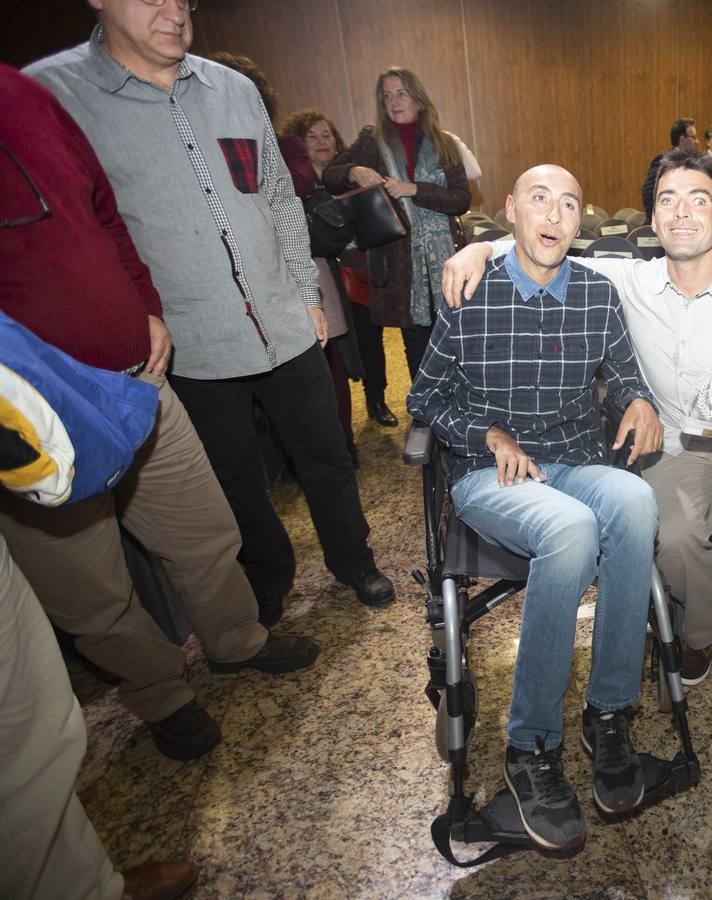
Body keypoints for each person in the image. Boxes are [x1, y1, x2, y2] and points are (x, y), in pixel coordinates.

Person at [26, 0, 396, 617]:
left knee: (326, 456)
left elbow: (277, 195)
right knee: (234, 479)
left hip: (283, 319)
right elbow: (71, 231)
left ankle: (354, 561)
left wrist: (305, 292)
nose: (173, 11)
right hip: (184, 340)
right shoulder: (54, 93)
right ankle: (269, 576)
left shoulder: (233, 88)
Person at [0, 62, 319, 760]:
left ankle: (236, 642)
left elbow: (104, 215)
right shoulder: (52, 79)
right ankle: (161, 694)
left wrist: (142, 305)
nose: (174, 10)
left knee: (203, 530)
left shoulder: (22, 95)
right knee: (91, 586)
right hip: (28, 411)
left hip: (136, 375)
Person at [441, 150, 712, 706]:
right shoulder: (627, 279)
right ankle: (700, 633)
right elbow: (544, 247)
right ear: (654, 219)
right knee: (672, 531)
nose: (682, 213)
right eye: (668, 201)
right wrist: (477, 247)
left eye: (699, 200)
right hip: (669, 438)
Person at [407, 164, 663, 851]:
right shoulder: (472, 291)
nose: (554, 214)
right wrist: (484, 435)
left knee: (637, 501)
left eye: (570, 203)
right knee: (572, 527)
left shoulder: (598, 295)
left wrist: (639, 399)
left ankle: (608, 714)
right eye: (540, 199)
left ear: (580, 222)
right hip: (491, 472)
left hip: (574, 461)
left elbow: (625, 374)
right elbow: (423, 401)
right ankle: (531, 745)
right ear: (512, 211)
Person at [1, 304, 199, 899]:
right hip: (47, 434)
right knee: (26, 728)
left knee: (26, 727)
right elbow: (56, 470)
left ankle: (79, 884)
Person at [324, 66, 471, 382]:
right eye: (387, 96)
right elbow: (330, 176)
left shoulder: (444, 143)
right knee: (416, 348)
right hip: (400, 268)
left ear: (418, 99)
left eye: (401, 93)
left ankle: (459, 415)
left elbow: (461, 199)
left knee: (455, 345)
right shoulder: (372, 141)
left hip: (446, 263)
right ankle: (425, 418)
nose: (394, 101)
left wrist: (414, 189)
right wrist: (353, 172)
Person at [279, 108, 362, 463]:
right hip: (286, 278)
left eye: (326, 134)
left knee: (334, 365)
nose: (321, 142)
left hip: (323, 276)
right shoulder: (285, 179)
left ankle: (344, 441)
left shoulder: (334, 182)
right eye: (311, 136)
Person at [642, 116, 698, 220]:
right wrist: (656, 219)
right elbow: (648, 192)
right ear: (682, 139)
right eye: (693, 137)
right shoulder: (663, 160)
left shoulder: (692, 163)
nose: (697, 141)